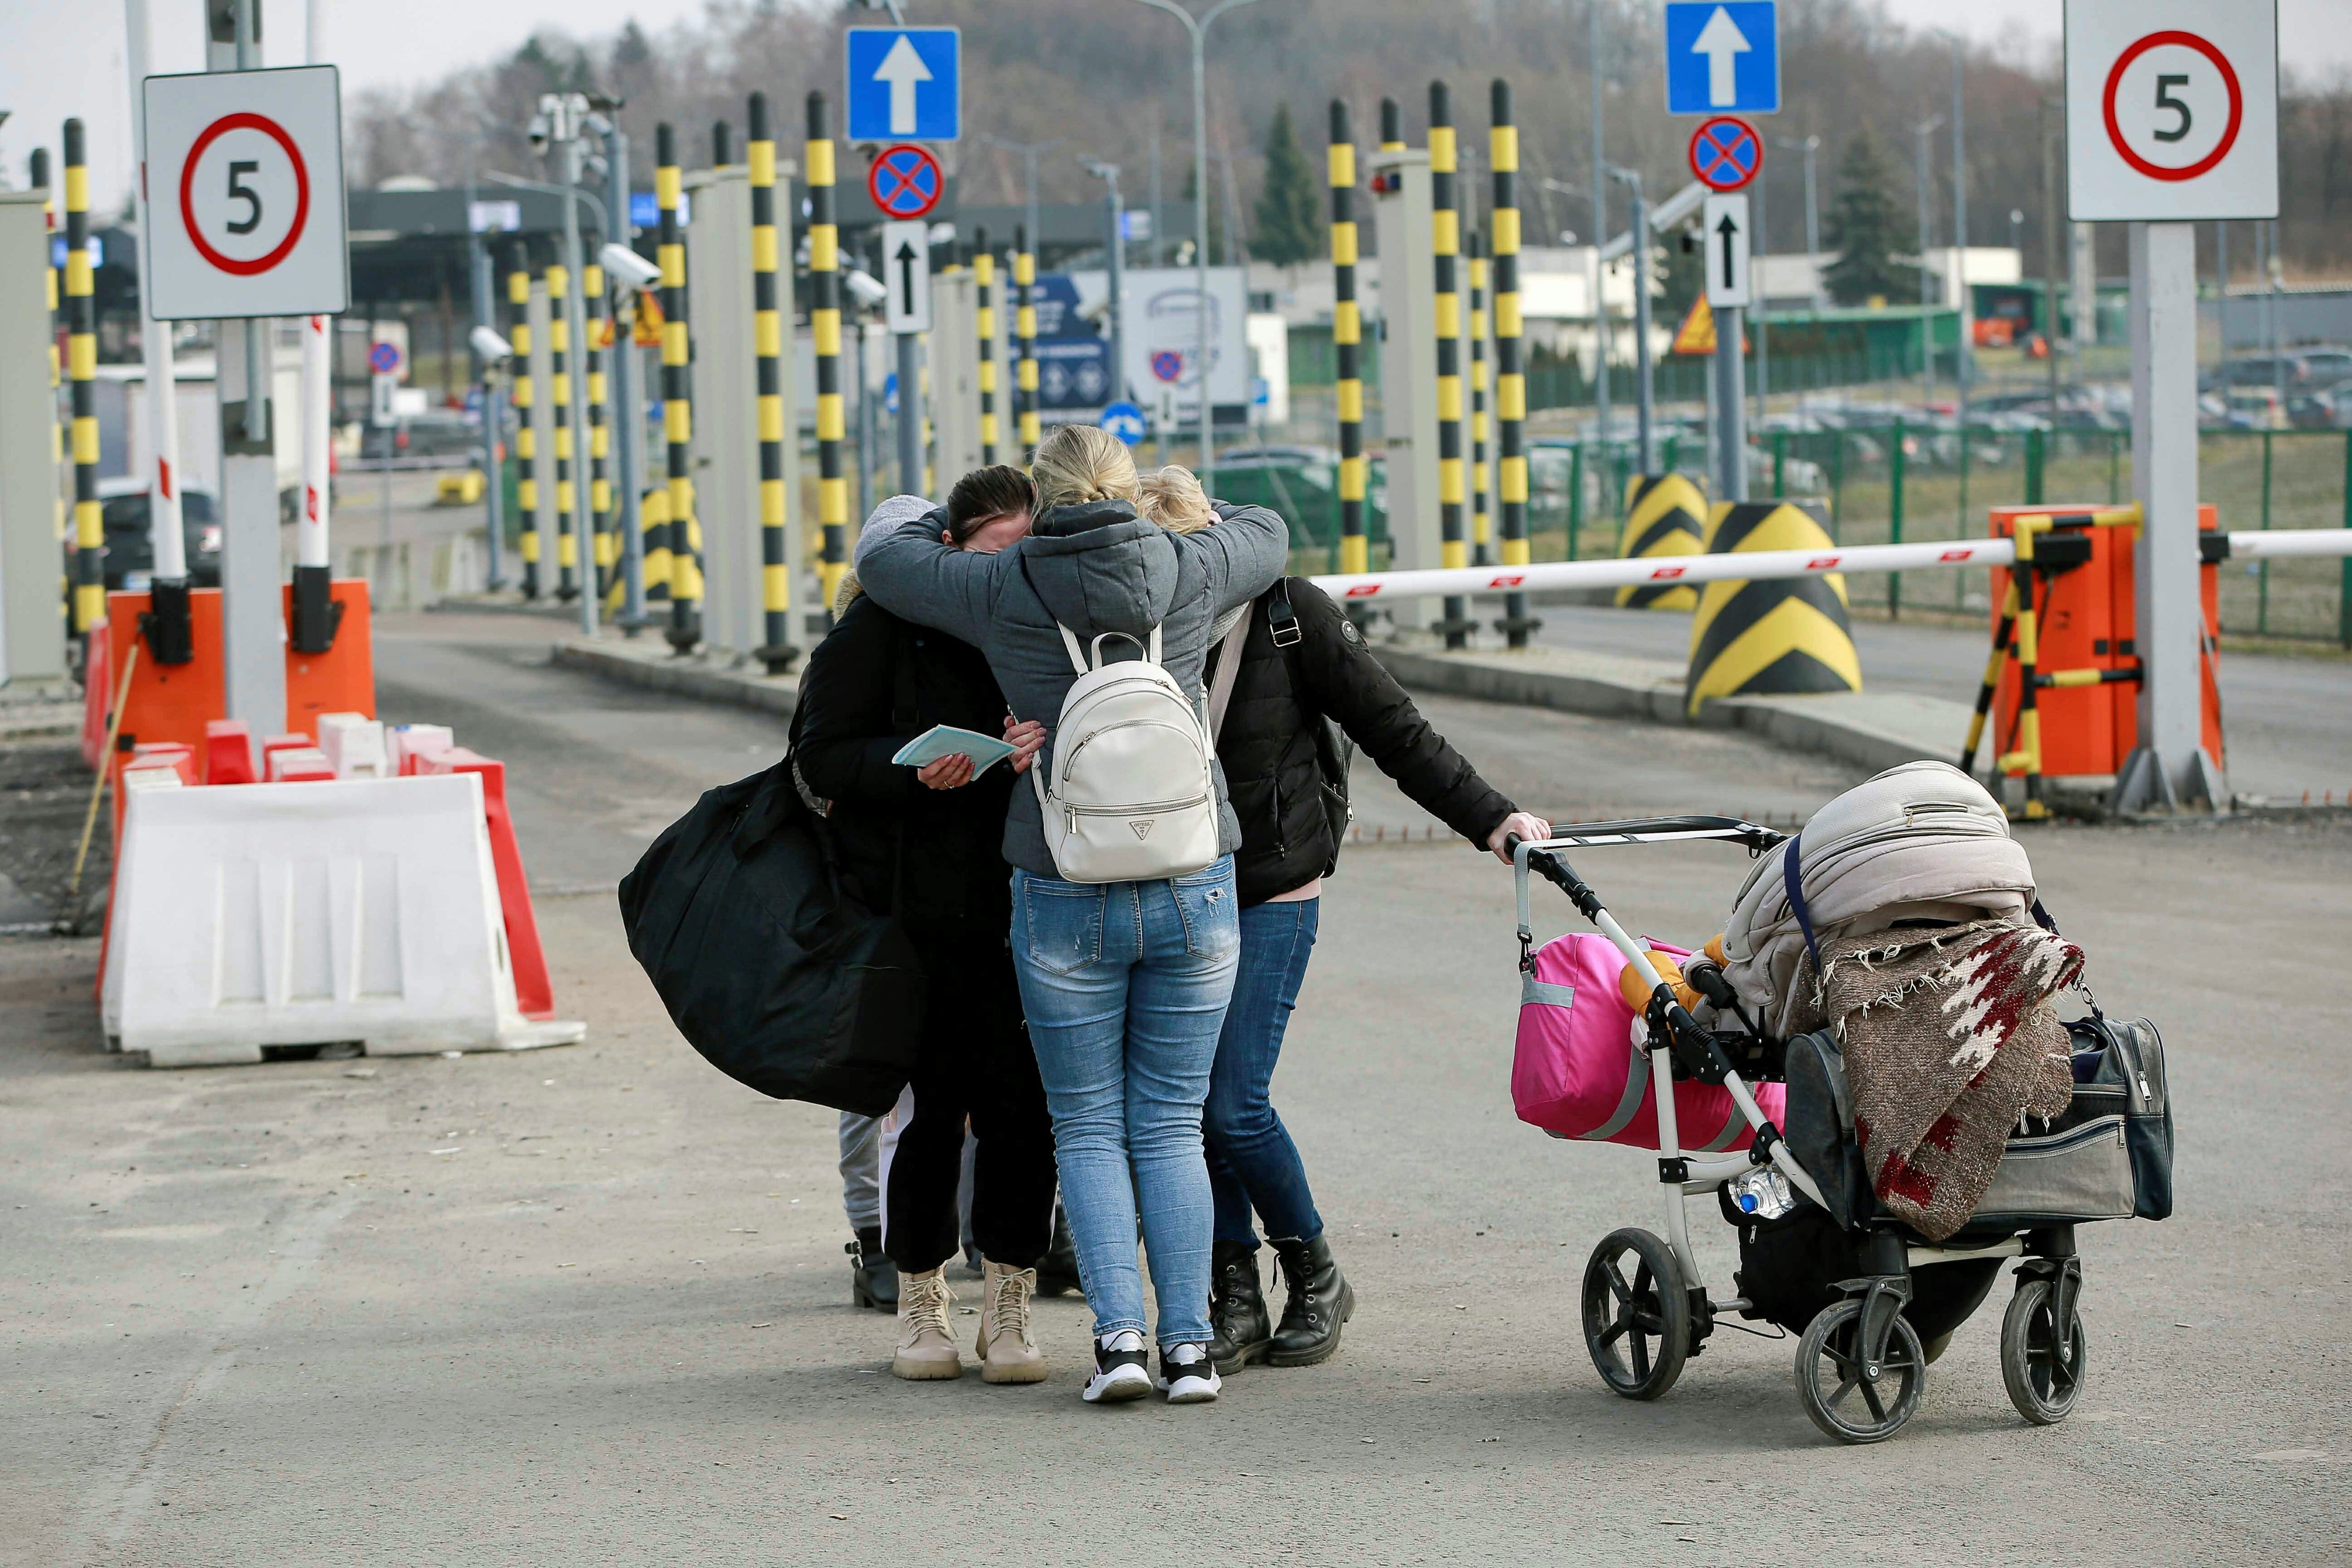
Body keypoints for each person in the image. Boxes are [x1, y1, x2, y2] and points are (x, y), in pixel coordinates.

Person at [852, 425, 1289, 1405]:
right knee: (1172, 1122)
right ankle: (1189, 1352)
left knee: (1087, 1126)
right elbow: (1268, 532)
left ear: (1043, 503)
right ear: (1129, 494)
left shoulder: (1001, 585)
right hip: (1191, 873)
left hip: (1062, 876)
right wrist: (1187, 511)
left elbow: (883, 559)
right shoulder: (1185, 564)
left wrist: (939, 518)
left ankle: (1121, 1344)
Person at [1134, 465, 1550, 1375]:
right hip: (1174, 890)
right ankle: (1233, 1291)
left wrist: (1493, 818)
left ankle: (1313, 1269)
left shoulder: (1292, 616)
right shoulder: (1141, 626)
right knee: (1189, 1111)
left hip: (1276, 887)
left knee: (1233, 1104)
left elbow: (1395, 728)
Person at [794, 464, 1058, 1385]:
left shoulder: (1048, 616)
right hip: (920, 909)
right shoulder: (881, 625)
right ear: (948, 551)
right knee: (931, 1109)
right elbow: (819, 755)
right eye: (995, 554)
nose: (1009, 573)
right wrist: (915, 771)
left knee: (1025, 1111)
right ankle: (921, 1301)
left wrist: (1042, 744)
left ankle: (1013, 1305)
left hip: (1037, 896)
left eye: (1025, 553)